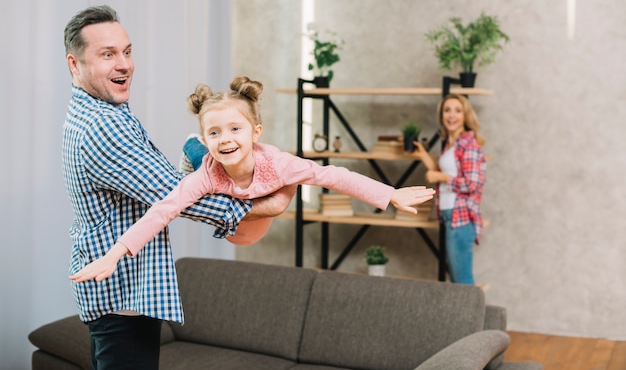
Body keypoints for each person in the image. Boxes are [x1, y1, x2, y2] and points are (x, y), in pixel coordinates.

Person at [62, 5, 293, 370]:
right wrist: (269, 203)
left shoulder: (97, 110)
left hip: (113, 294)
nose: (124, 64)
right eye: (107, 55)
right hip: (124, 298)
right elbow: (177, 198)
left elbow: (151, 185)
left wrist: (193, 170)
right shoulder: (104, 127)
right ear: (75, 64)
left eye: (127, 51)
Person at [70, 76, 436, 282]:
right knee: (194, 160)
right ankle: (192, 144)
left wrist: (389, 194)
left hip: (251, 217)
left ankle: (197, 144)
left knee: (226, 174)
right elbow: (162, 210)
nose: (225, 138)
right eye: (215, 131)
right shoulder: (210, 171)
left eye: (235, 129)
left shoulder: (279, 166)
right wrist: (115, 254)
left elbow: (334, 176)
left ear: (255, 132)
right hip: (222, 193)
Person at [412, 93, 486, 285]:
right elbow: (441, 174)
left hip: (460, 217)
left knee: (462, 282)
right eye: (447, 110)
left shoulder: (467, 143)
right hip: (449, 216)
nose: (451, 115)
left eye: (457, 110)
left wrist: (440, 177)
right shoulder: (451, 145)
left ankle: (471, 316)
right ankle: (466, 315)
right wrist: (423, 156)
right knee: (456, 282)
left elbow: (472, 184)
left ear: (465, 116)